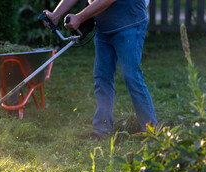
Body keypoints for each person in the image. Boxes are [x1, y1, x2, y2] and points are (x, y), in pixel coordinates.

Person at [43, 0, 158, 140]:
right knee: (102, 77)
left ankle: (152, 131)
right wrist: (56, 15)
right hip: (104, 29)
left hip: (130, 24)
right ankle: (102, 131)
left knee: (131, 76)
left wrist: (79, 17)